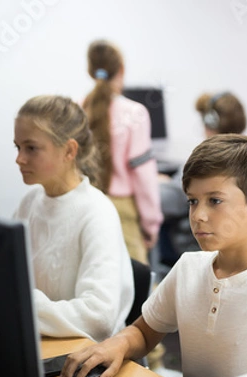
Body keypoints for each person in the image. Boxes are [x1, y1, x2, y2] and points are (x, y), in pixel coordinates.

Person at [59, 134, 247, 377]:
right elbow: (144, 333)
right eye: (193, 201)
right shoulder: (188, 269)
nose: (198, 215)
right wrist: (116, 345)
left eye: (215, 201)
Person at [13, 95, 134, 342]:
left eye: (31, 148)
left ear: (69, 150)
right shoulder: (30, 203)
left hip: (86, 355)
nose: (19, 159)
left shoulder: (97, 212)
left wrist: (21, 303)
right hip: (41, 341)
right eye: (18, 147)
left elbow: (98, 318)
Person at [83, 39, 163, 264]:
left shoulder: (77, 108)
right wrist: (151, 224)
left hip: (85, 206)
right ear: (121, 70)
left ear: (90, 71)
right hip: (122, 212)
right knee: (136, 291)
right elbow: (144, 177)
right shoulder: (135, 113)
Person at [158, 91, 247, 264]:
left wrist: (154, 182)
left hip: (196, 254)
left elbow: (162, 200)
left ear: (210, 123)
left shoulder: (204, 167)